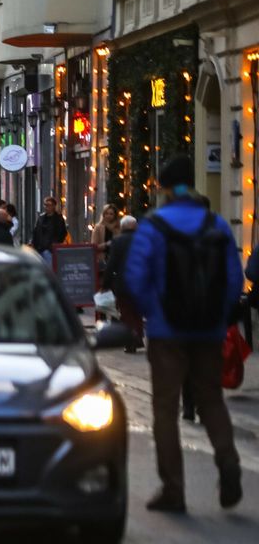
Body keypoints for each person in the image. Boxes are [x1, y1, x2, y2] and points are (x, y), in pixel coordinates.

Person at [124, 154, 242, 513]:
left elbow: (135, 278)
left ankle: (173, 490)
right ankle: (229, 462)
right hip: (208, 330)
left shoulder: (153, 226)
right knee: (211, 400)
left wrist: (153, 312)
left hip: (167, 332)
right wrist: (218, 316)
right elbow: (234, 279)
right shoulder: (216, 224)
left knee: (165, 408)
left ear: (164, 189)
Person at [103, 215, 142, 353]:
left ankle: (131, 340)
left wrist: (106, 283)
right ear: (135, 226)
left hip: (123, 282)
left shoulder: (117, 241)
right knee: (137, 311)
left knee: (126, 312)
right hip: (141, 281)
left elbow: (112, 264)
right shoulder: (143, 240)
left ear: (122, 227)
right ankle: (138, 336)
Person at [31, 196, 68, 264]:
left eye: (48, 205)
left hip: (50, 250)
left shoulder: (58, 219)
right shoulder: (41, 218)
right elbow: (36, 232)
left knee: (49, 267)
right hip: (39, 250)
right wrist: (34, 244)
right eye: (45, 205)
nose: (46, 207)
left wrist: (53, 245)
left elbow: (62, 233)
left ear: (54, 206)